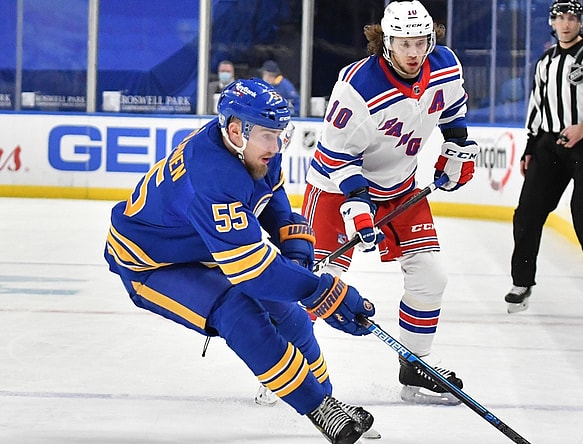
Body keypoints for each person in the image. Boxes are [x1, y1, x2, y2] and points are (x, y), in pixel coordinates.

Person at [104, 78, 376, 444]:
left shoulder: (250, 147)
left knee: (289, 313)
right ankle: (317, 406)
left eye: (280, 133)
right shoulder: (212, 175)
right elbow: (254, 274)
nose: (276, 145)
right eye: (268, 135)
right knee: (238, 313)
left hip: (200, 245)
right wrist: (322, 291)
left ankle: (328, 399)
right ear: (236, 131)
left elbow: (274, 203)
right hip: (150, 264)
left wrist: (297, 259)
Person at [302, 0, 478, 406]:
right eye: (404, 43)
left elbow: (453, 115)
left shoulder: (445, 66)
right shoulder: (356, 87)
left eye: (421, 42)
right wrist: (357, 206)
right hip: (336, 189)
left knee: (431, 276)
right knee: (315, 281)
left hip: (400, 188)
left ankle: (415, 364)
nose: (414, 53)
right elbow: (334, 156)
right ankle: (283, 362)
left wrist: (456, 148)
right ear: (386, 42)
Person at [505, 0, 583, 318]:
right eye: (561, 18)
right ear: (552, 22)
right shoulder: (545, 61)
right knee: (528, 213)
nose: (567, 24)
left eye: (573, 18)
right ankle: (521, 283)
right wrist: (530, 146)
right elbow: (536, 105)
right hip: (548, 144)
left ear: (581, 22)